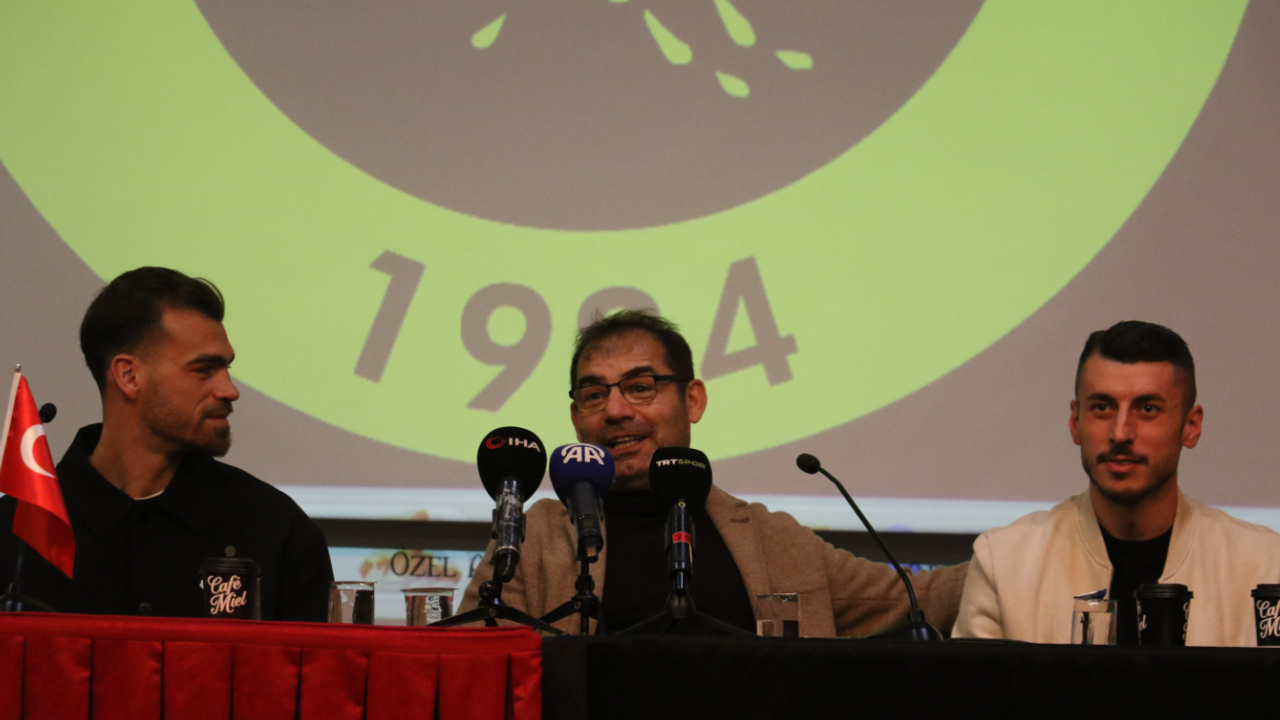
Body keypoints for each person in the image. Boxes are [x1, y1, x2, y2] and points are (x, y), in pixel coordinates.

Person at [462, 310, 967, 636]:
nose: (615, 410)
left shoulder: (774, 540)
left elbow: (924, 598)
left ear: (694, 400)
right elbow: (464, 654)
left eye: (641, 387)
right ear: (576, 418)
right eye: (594, 395)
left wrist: (1017, 546)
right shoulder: (534, 539)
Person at [0, 267, 333, 620]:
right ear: (129, 376)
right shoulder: (16, 536)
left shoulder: (276, 529)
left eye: (226, 368)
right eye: (204, 369)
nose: (229, 390)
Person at [953, 320, 1280, 645]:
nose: (1121, 433)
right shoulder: (1004, 562)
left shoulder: (1264, 565)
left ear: (1190, 426)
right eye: (1102, 408)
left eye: (1148, 409)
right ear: (1075, 422)